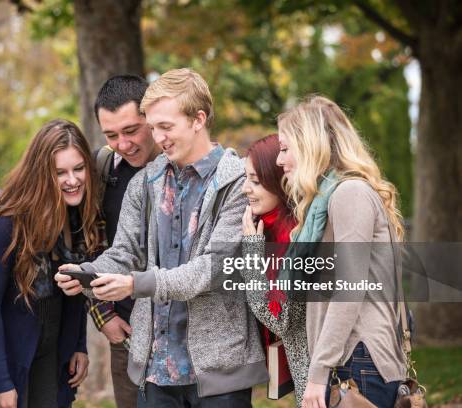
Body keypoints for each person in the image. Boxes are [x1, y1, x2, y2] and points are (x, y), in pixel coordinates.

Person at [56, 68, 268, 407]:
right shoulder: (146, 182)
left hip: (219, 370)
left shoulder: (238, 181)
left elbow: (215, 268)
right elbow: (124, 251)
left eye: (165, 127)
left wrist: (135, 284)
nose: (158, 138)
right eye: (153, 128)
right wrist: (86, 274)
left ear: (198, 119)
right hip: (155, 369)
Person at [276, 95, 406, 408]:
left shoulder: (349, 194)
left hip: (356, 361)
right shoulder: (330, 201)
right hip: (350, 359)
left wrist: (318, 374)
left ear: (311, 145)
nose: (280, 161)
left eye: (285, 148)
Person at [0, 120, 96, 408]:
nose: (72, 180)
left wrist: (79, 345)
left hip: (55, 348)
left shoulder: (77, 214)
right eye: (60, 172)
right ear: (41, 174)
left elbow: (74, 288)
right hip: (15, 349)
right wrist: (1, 380)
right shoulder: (7, 221)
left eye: (78, 169)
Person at [88, 74, 160, 408]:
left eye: (131, 131)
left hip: (187, 333)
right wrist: (104, 316)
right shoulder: (103, 171)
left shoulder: (182, 167)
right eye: (112, 135)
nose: (123, 144)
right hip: (128, 334)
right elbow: (88, 244)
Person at [240, 134, 309, 407]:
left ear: (279, 182)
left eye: (255, 181)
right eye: (246, 179)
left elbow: (280, 320)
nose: (246, 189)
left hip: (324, 378)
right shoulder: (268, 226)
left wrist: (251, 250)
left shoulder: (293, 235)